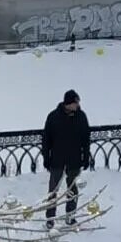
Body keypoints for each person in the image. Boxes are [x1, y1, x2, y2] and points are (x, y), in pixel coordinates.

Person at [41, 91, 92, 230]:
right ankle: (50, 218)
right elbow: (46, 139)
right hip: (57, 159)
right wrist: (46, 157)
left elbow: (85, 139)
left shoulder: (81, 117)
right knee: (53, 190)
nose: (78, 105)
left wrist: (86, 156)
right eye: (76, 102)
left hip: (74, 159)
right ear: (68, 103)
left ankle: (70, 216)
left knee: (72, 189)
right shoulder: (53, 117)